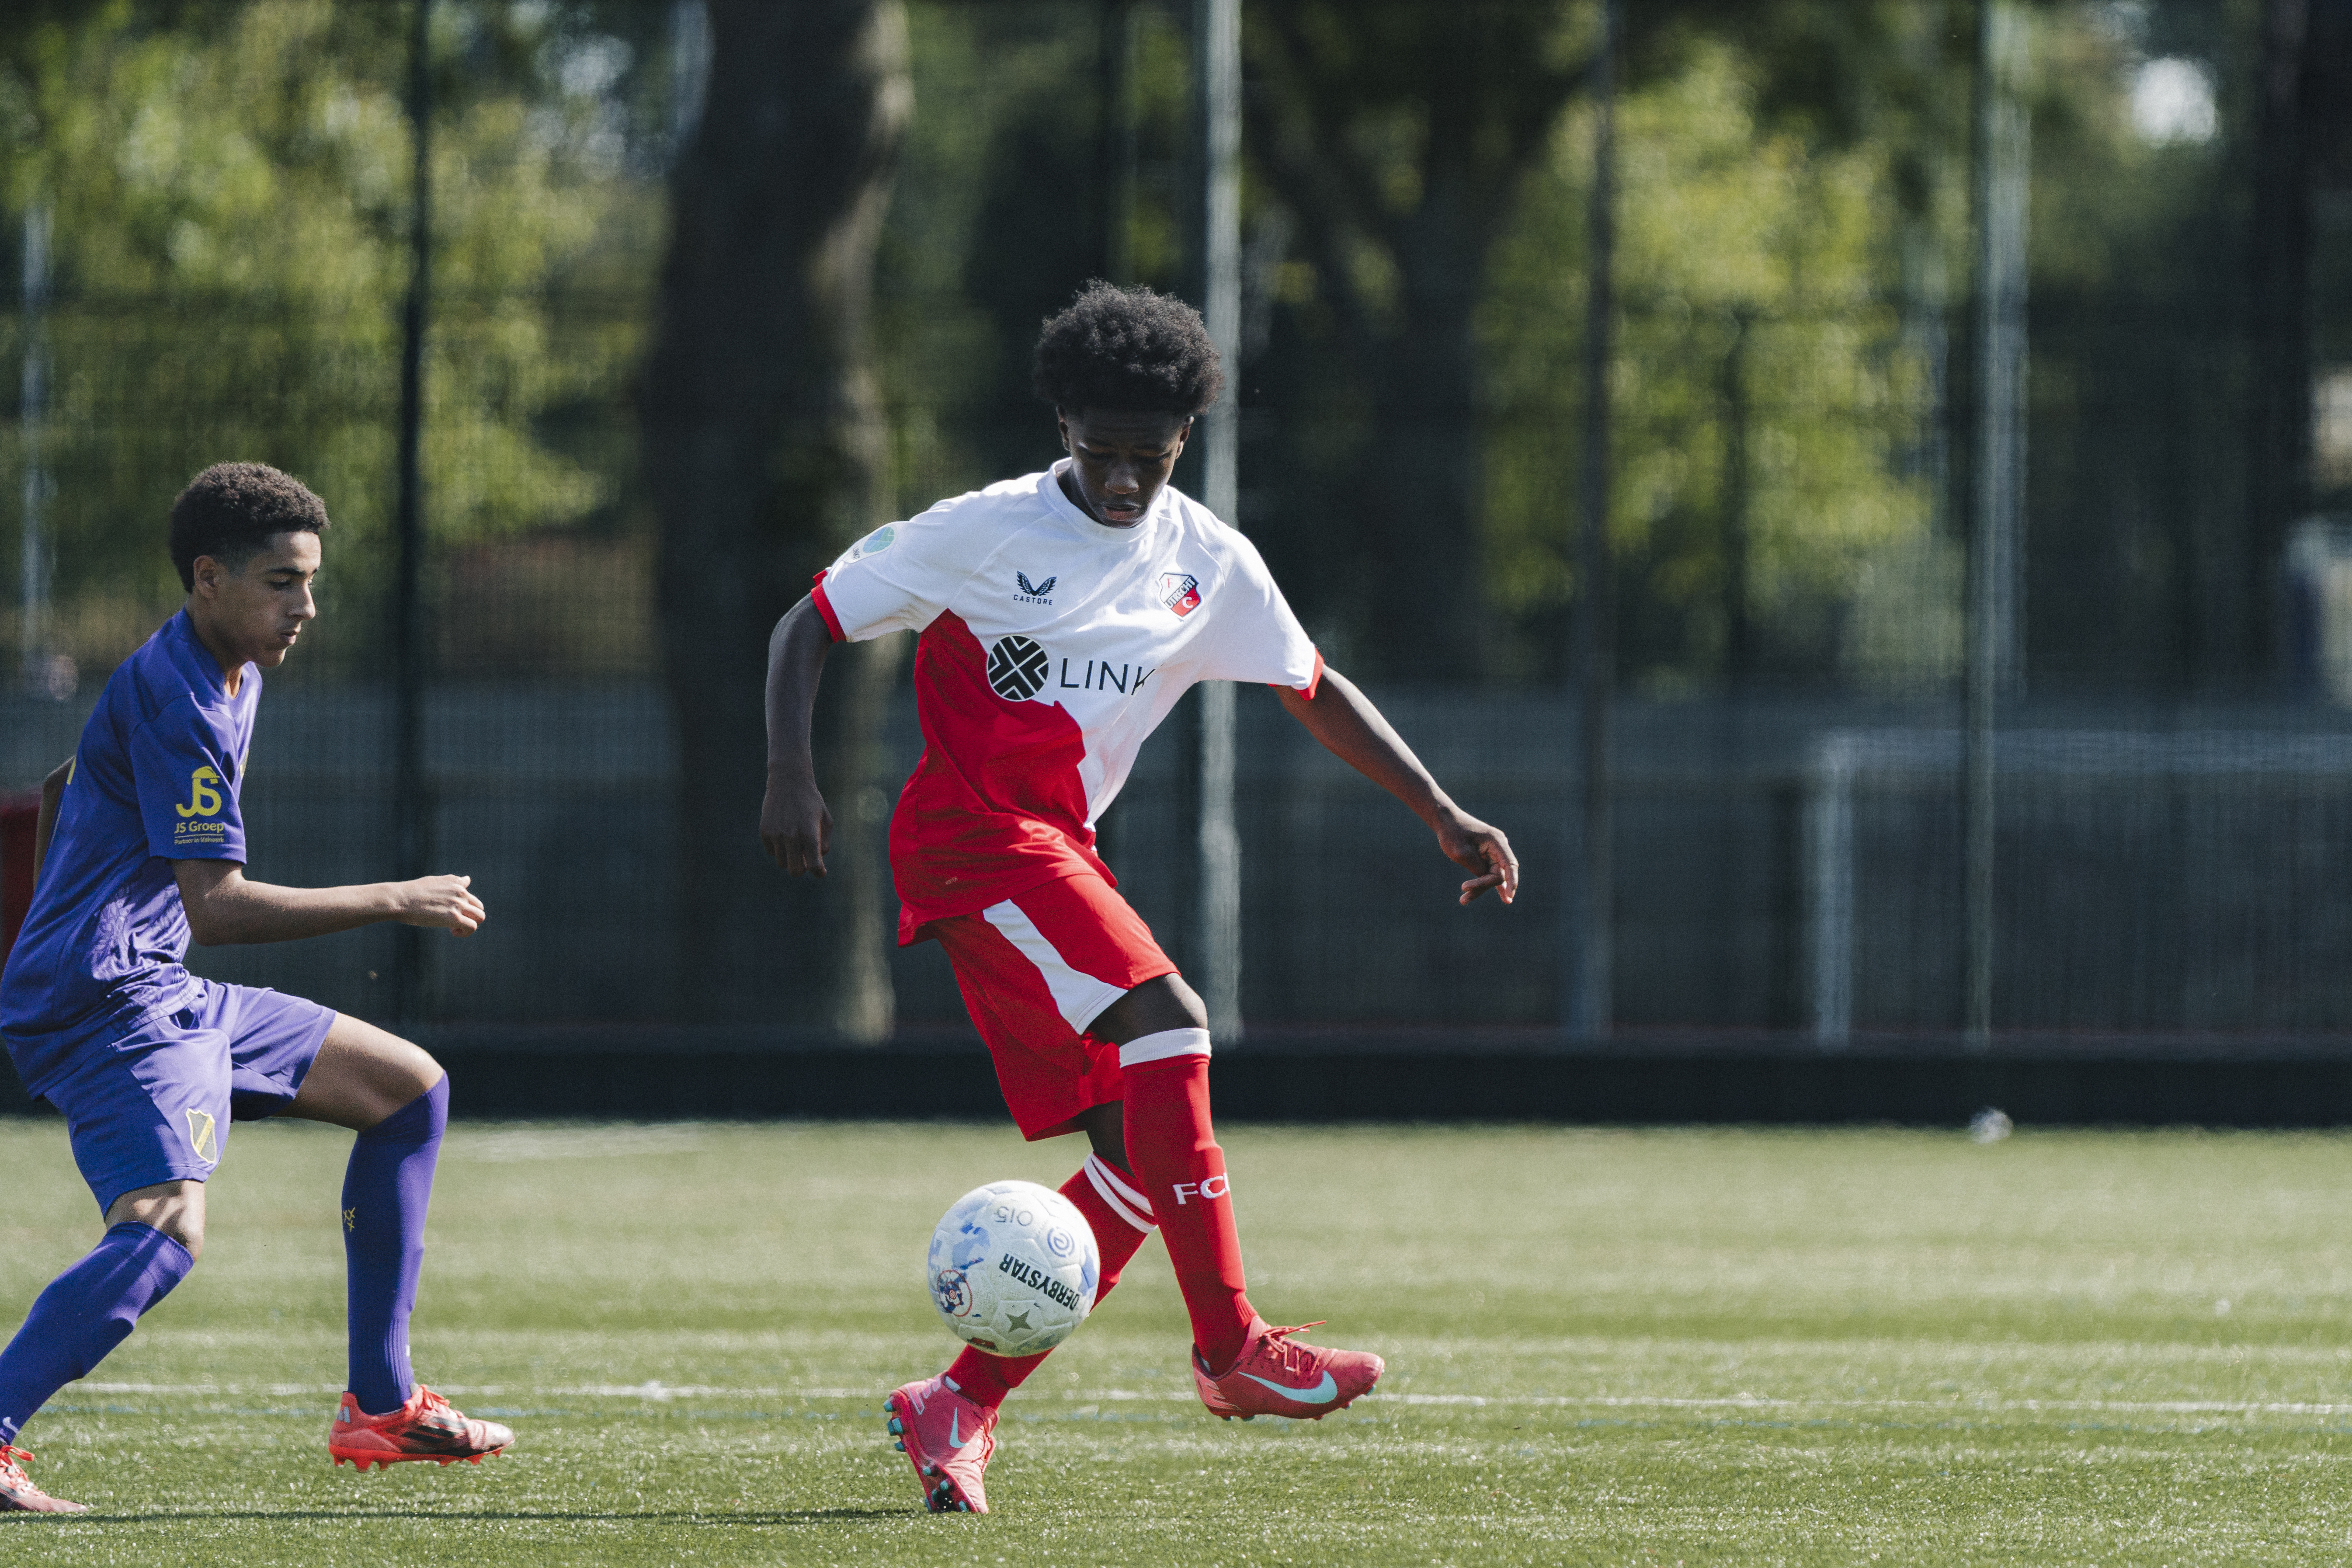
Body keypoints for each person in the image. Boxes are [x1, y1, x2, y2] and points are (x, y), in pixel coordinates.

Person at [760, 282, 1518, 1515]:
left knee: (1131, 1157)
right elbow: (810, 622)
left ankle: (957, 1403)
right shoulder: (982, 529)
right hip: (970, 842)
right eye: (1100, 452)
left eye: (1147, 459)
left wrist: (1437, 806)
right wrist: (790, 772)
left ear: (1183, 443)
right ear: (1063, 423)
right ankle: (1231, 1350)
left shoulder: (1206, 557)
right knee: (1171, 1018)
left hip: (1056, 849)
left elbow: (1308, 683)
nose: (1121, 481)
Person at [0, 464, 512, 1515]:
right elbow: (219, 909)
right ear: (209, 579)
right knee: (165, 1225)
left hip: (144, 981)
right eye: (283, 583)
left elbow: (66, 782)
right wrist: (393, 897)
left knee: (408, 1091)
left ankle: (381, 1404)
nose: (306, 608)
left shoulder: (223, 670)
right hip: (110, 999)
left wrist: (53, 924)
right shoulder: (185, 696)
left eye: (311, 582)